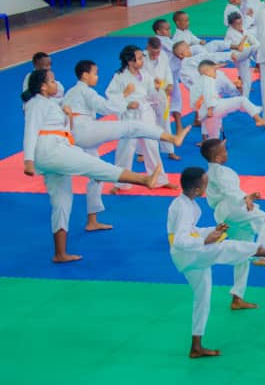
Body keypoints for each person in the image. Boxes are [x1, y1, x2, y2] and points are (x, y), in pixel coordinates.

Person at [23, 69, 162, 263]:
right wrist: (28, 161)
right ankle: (143, 179)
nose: (57, 84)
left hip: (56, 150)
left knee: (62, 202)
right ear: (43, 87)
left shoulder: (51, 104)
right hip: (52, 151)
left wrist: (68, 115)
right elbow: (30, 131)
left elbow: (63, 128)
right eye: (53, 81)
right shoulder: (36, 104)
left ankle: (60, 253)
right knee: (93, 165)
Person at [167, 166, 265, 358]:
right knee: (225, 248)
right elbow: (180, 239)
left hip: (188, 254)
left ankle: (196, 346)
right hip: (188, 254)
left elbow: (189, 232)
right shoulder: (182, 207)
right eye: (205, 184)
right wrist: (205, 240)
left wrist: (211, 231)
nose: (208, 187)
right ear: (197, 190)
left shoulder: (187, 204)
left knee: (203, 298)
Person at [65, 59, 191, 231]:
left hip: (77, 135)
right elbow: (105, 107)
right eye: (95, 73)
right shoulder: (86, 91)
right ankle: (172, 138)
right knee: (133, 127)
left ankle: (92, 221)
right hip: (87, 130)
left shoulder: (70, 93)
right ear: (85, 75)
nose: (97, 77)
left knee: (96, 176)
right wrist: (125, 97)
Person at [203, 138, 265, 288]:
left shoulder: (213, 171)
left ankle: (237, 296)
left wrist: (247, 197)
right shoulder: (218, 173)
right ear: (217, 158)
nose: (227, 153)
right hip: (232, 208)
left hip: (227, 211)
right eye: (224, 151)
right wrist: (245, 198)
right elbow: (228, 190)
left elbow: (230, 190)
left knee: (244, 251)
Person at [105, 45, 174, 190]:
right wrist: (127, 102)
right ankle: (121, 182)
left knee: (152, 146)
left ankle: (160, 179)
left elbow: (152, 95)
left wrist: (156, 88)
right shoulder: (119, 77)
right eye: (140, 58)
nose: (142, 60)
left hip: (145, 112)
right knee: (126, 148)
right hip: (129, 115)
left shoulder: (145, 74)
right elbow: (110, 97)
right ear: (130, 61)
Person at [191, 60, 265, 139]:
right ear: (206, 72)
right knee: (242, 101)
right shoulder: (208, 80)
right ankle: (258, 120)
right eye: (214, 71)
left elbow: (195, 103)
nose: (216, 73)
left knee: (213, 137)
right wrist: (210, 109)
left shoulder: (198, 83)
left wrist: (205, 112)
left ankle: (208, 144)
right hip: (214, 108)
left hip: (205, 114)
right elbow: (208, 94)